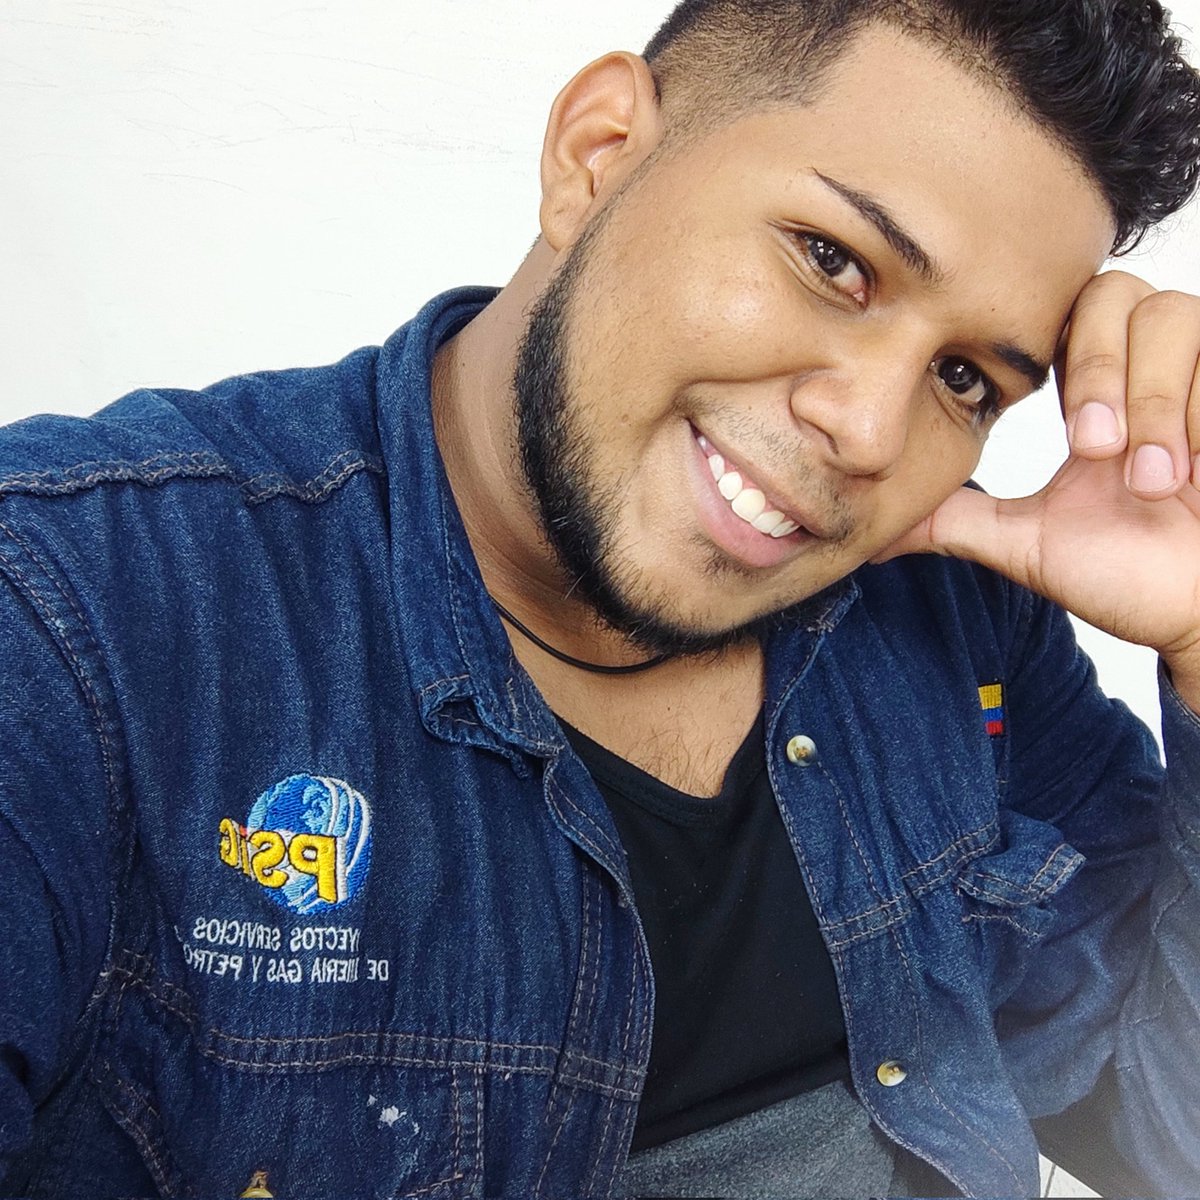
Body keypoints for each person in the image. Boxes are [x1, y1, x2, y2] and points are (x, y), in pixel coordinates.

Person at [2, 0, 1200, 1196]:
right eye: (834, 261)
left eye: (965, 379)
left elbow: (1162, 1139)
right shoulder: (68, 622)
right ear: (599, 154)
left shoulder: (955, 613)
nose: (872, 433)